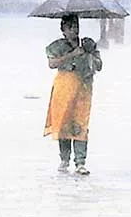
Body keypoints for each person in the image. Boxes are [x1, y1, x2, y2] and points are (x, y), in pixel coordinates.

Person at [43, 14, 102, 175]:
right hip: (63, 90)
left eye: (76, 25)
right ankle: (64, 158)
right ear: (63, 30)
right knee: (63, 123)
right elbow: (52, 64)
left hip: (83, 90)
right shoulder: (57, 46)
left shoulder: (87, 44)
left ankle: (80, 162)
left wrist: (89, 52)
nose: (74, 29)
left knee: (80, 123)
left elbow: (99, 65)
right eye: (70, 27)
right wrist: (72, 55)